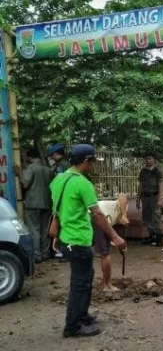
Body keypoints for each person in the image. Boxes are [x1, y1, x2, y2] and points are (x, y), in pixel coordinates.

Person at [49, 144, 126, 338]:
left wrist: (57, 236)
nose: (93, 166)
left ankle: (82, 315)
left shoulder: (59, 179)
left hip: (67, 238)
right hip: (78, 240)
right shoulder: (83, 184)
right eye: (92, 162)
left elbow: (59, 208)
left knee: (86, 277)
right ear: (85, 161)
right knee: (79, 283)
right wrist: (114, 236)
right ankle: (73, 326)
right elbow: (98, 215)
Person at [15, 149, 54, 263]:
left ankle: (37, 256)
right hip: (47, 203)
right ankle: (45, 254)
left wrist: (19, 173)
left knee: (34, 230)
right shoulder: (49, 170)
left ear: (29, 158)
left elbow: (25, 184)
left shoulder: (31, 168)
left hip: (32, 204)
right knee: (44, 230)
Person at [94, 194, 130, 292]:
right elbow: (122, 196)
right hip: (99, 217)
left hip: (92, 216)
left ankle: (105, 284)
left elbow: (111, 236)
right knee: (105, 253)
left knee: (103, 251)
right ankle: (107, 285)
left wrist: (120, 247)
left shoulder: (114, 218)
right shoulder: (123, 207)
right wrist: (124, 214)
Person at [136, 154, 163, 247]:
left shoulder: (157, 171)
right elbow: (140, 185)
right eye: (147, 159)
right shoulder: (143, 171)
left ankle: (159, 238)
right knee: (147, 217)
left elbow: (160, 186)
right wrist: (138, 198)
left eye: (150, 159)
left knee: (156, 217)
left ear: (153, 160)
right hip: (145, 197)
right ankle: (152, 236)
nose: (148, 160)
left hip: (154, 196)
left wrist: (160, 199)